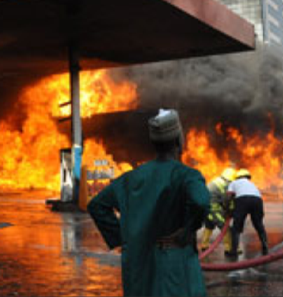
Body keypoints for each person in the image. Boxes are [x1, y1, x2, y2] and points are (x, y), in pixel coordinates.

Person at [87, 109, 210, 296]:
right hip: (175, 269)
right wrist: (187, 230)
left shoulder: (130, 178)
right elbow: (200, 202)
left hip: (139, 269)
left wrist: (123, 239)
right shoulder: (187, 176)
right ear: (179, 140)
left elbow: (97, 205)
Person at [226, 168, 269, 257]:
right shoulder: (252, 184)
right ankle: (265, 246)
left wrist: (228, 210)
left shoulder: (233, 183)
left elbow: (229, 196)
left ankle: (233, 251)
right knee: (259, 224)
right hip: (257, 200)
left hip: (242, 200)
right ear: (248, 177)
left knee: (236, 227)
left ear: (237, 177)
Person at [199, 167, 238, 254]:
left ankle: (204, 246)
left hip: (206, 209)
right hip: (214, 210)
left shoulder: (216, 181)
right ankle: (229, 249)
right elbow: (226, 199)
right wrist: (231, 209)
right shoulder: (225, 184)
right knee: (225, 228)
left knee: (209, 226)